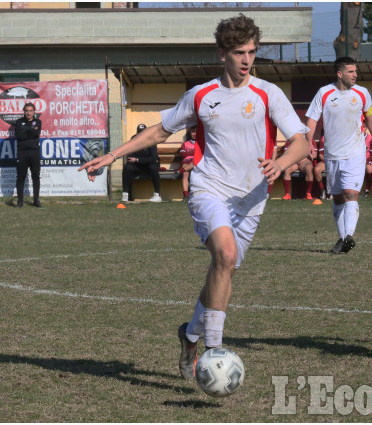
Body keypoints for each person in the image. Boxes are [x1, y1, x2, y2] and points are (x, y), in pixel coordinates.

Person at [78, 14, 309, 380]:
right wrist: (112, 156)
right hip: (208, 188)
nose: (247, 60)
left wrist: (281, 163)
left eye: (251, 52)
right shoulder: (201, 95)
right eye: (238, 52)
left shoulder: (268, 93)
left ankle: (189, 336)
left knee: (224, 269)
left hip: (251, 198)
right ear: (222, 54)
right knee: (225, 255)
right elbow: (158, 131)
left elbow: (302, 141)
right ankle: (214, 352)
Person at [304, 56, 372, 254]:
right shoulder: (324, 93)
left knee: (350, 194)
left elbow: (371, 120)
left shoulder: (363, 93)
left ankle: (348, 236)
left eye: (356, 71)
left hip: (356, 153)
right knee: (338, 198)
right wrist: (309, 142)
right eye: (351, 72)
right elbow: (311, 120)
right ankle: (343, 239)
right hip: (332, 155)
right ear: (340, 74)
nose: (355, 75)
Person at [121, 124, 162, 202]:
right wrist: (138, 160)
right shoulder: (133, 139)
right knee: (127, 167)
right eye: (140, 133)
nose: (141, 135)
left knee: (153, 167)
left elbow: (153, 158)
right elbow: (130, 157)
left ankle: (157, 195)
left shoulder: (152, 140)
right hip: (137, 166)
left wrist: (137, 160)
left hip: (148, 166)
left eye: (143, 132)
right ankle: (125, 194)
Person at [14, 102, 42, 208]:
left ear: (34, 112)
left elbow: (36, 133)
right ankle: (20, 201)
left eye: (31, 111)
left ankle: (36, 200)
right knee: (21, 177)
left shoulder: (38, 121)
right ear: (24, 111)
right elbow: (19, 135)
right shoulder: (19, 122)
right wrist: (29, 131)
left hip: (34, 152)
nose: (28, 113)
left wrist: (26, 131)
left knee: (36, 177)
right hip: (22, 153)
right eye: (26, 111)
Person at [178, 126, 197, 200]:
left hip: (197, 162)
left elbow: (201, 154)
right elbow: (182, 154)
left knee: (195, 162)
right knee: (185, 173)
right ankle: (186, 195)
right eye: (193, 132)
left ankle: (179, 171)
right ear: (190, 133)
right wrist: (194, 152)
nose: (195, 134)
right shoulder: (185, 144)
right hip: (186, 161)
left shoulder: (201, 143)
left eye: (196, 132)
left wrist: (188, 152)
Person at [312, 130, 328, 200]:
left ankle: (332, 193)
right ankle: (322, 191)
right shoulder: (323, 138)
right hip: (326, 161)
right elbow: (321, 154)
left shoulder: (339, 137)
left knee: (334, 170)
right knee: (316, 169)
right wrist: (327, 160)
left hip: (336, 161)